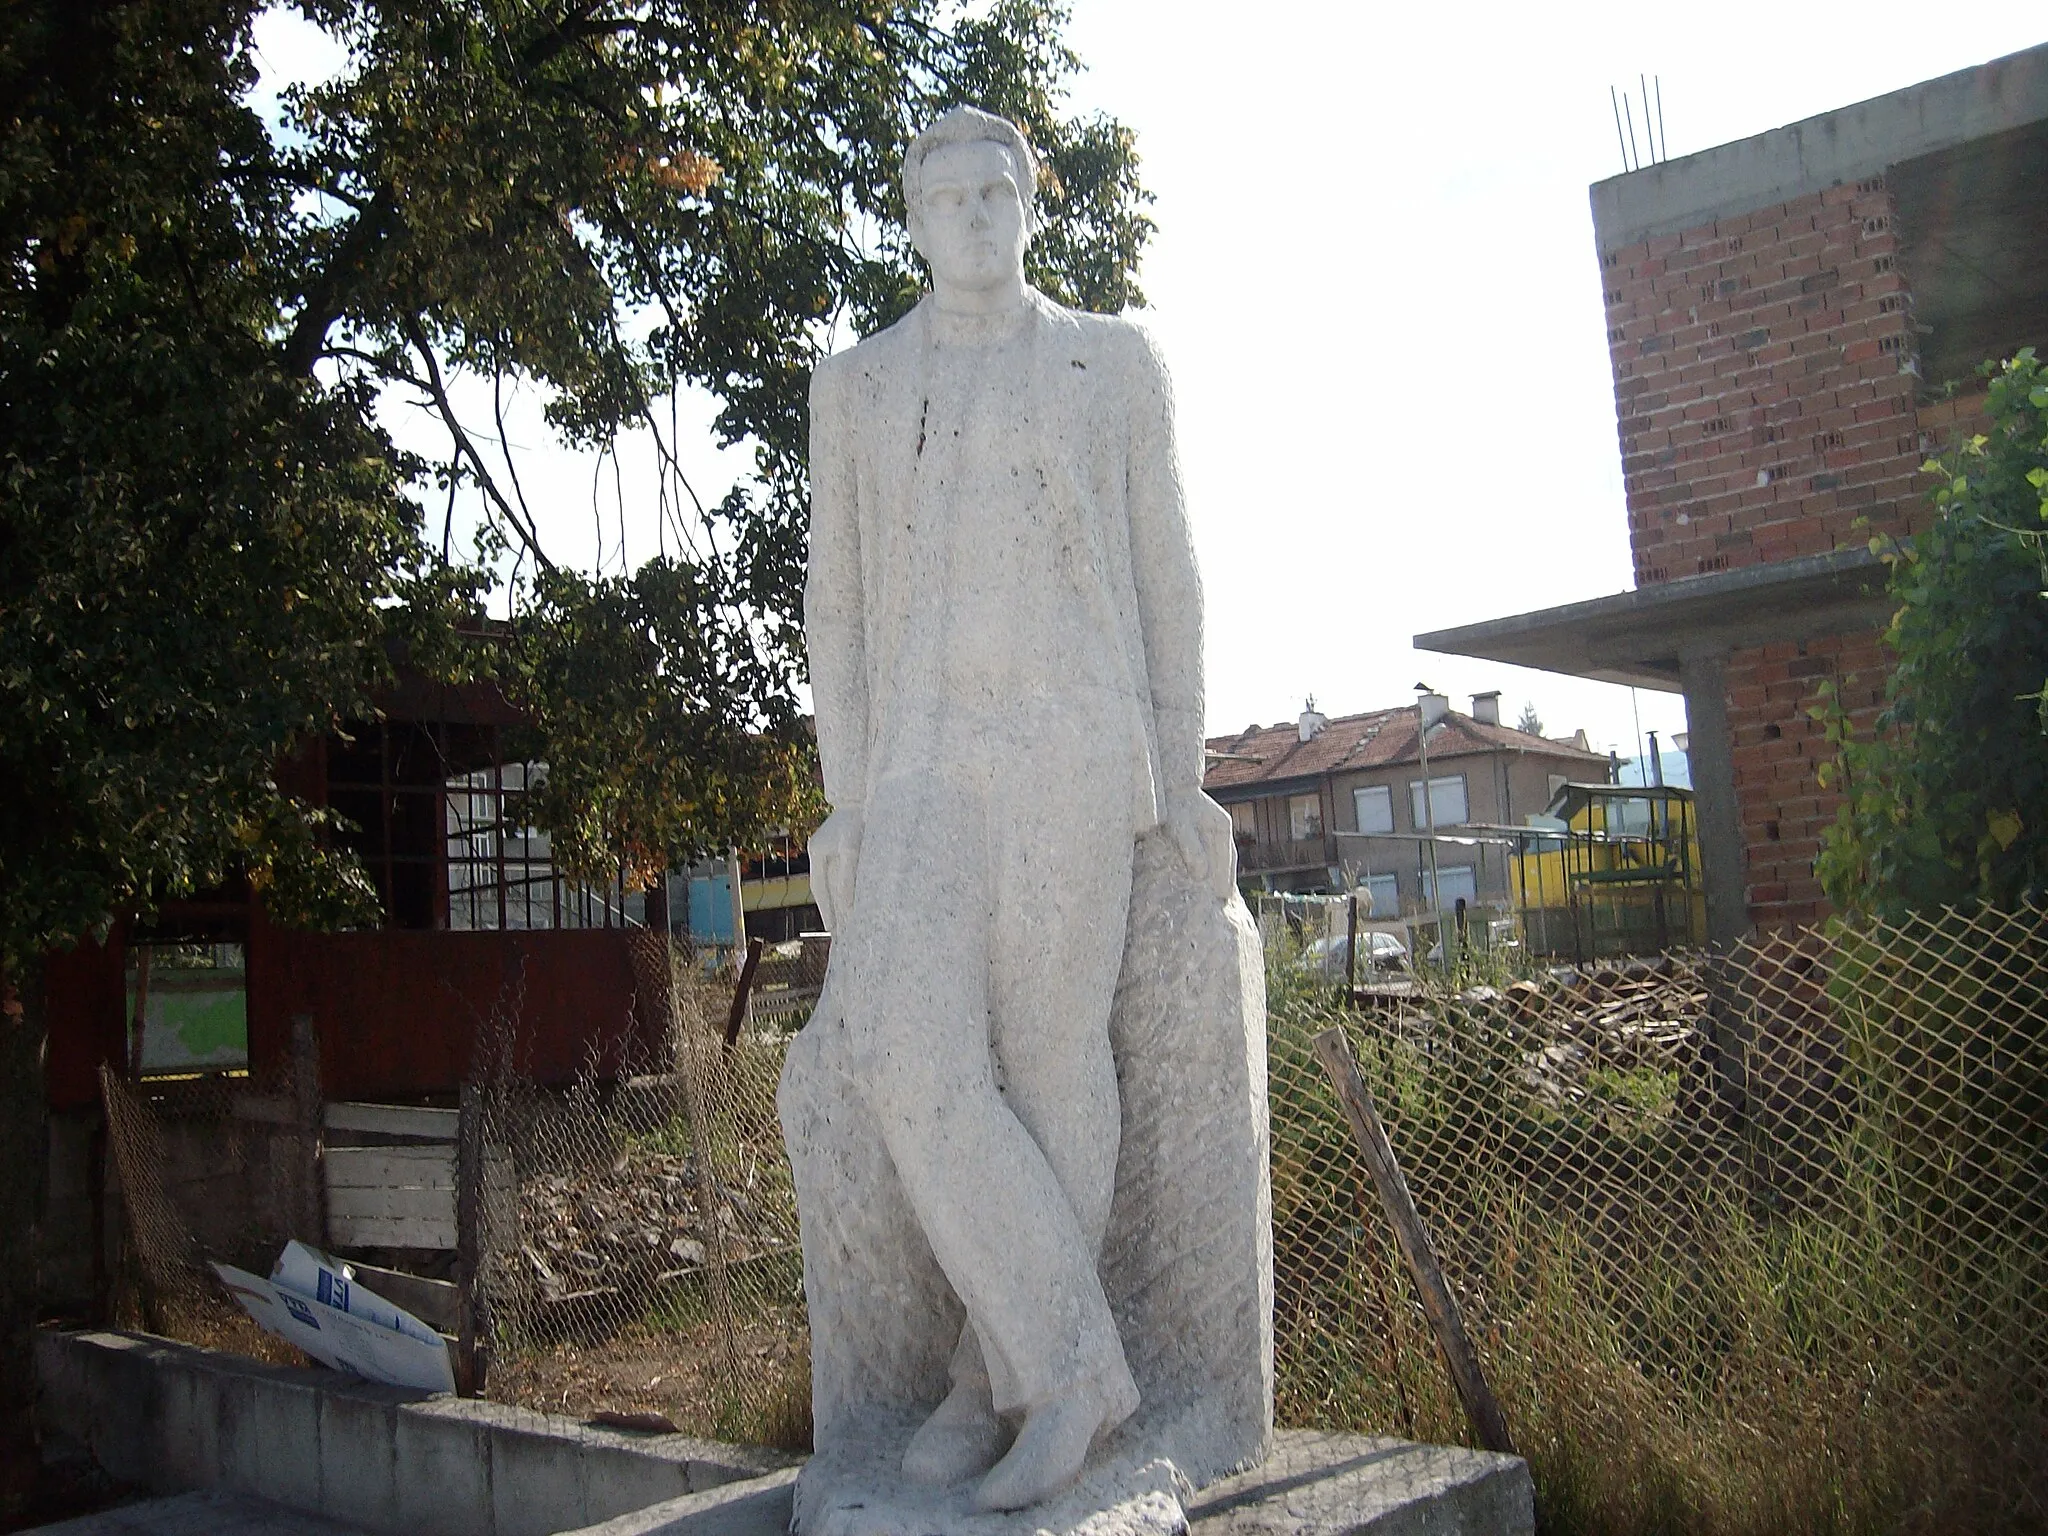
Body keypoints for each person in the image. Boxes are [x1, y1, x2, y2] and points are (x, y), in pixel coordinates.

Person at [801, 105, 1234, 1513]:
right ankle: (1071, 1361)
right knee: (897, 1046)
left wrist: (1183, 770)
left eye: (1000, 194)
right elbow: (838, 608)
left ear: (1032, 209)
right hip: (925, 761)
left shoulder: (1111, 363)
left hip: (1069, 748)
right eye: (950, 198)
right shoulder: (856, 388)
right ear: (914, 219)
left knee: (1054, 1064)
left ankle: (999, 1381)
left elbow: (1167, 567)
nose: (976, 217)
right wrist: (846, 805)